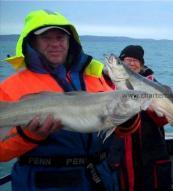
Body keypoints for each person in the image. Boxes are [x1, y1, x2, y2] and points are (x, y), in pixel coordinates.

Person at [0, 9, 140, 191]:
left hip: (100, 178)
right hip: (44, 182)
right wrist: (29, 135)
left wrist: (128, 120)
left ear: (70, 41)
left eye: (60, 37)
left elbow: (117, 128)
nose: (55, 44)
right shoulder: (10, 87)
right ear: (32, 42)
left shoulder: (93, 76)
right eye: (46, 38)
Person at [106, 45, 172, 191]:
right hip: (120, 154)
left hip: (149, 154)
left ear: (142, 65)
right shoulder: (110, 86)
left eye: (135, 60)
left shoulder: (154, 86)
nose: (131, 63)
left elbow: (165, 119)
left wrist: (148, 106)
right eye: (127, 60)